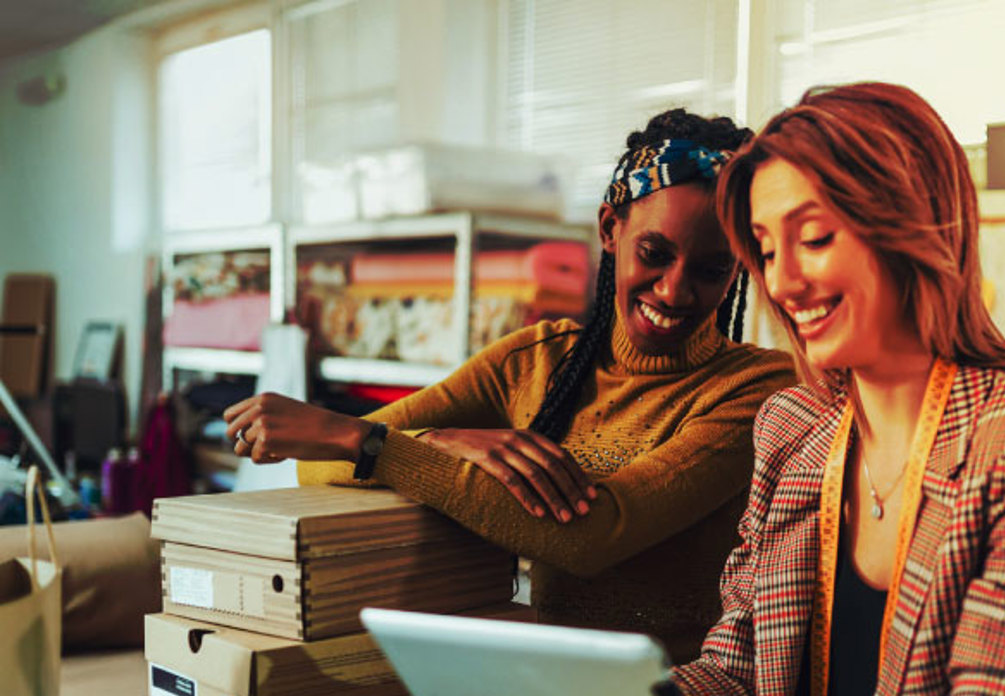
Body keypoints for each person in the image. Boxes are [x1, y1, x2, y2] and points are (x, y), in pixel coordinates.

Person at [223, 109, 797, 663]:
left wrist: (375, 444)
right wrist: (440, 440)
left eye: (711, 270)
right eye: (654, 254)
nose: (675, 291)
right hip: (538, 685)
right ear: (609, 230)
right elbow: (317, 461)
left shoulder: (756, 389)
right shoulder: (537, 359)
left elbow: (594, 535)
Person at [674, 83, 1005, 696]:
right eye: (767, 250)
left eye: (816, 238)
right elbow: (735, 667)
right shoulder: (790, 426)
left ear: (908, 223)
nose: (782, 281)